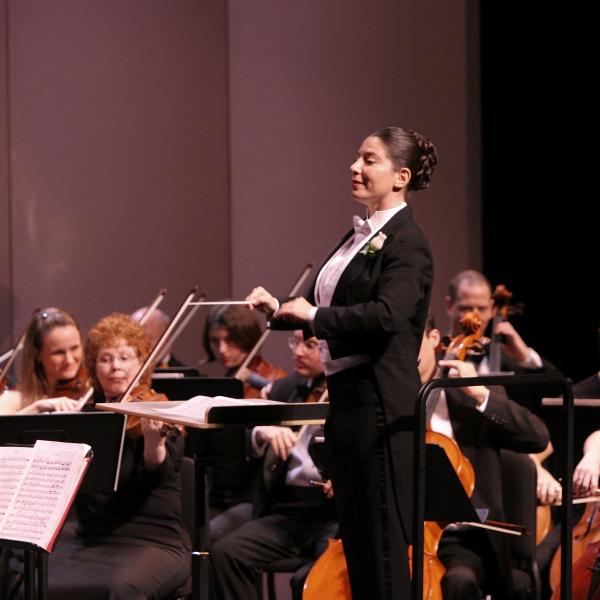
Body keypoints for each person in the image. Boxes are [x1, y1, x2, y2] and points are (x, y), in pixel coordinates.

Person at [247, 126, 437, 599]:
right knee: (360, 551)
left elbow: (389, 315)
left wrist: (313, 314)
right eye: (357, 157)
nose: (355, 167)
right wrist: (279, 308)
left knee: (384, 554)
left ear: (401, 177)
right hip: (349, 407)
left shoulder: (407, 243)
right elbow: (319, 304)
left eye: (369, 159)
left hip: (380, 410)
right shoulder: (357, 237)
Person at [45, 313, 191, 599]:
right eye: (106, 359)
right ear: (94, 368)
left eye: (125, 358)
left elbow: (158, 473)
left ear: (142, 364)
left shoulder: (158, 411)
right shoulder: (85, 421)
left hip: (154, 539)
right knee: (35, 581)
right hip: (92, 538)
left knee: (120, 589)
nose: (116, 367)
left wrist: (153, 442)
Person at [418, 312, 549, 599]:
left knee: (458, 582)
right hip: (406, 532)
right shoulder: (392, 399)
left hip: (466, 539)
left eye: (413, 341)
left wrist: (481, 395)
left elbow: (538, 437)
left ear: (434, 340)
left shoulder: (472, 396)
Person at [210, 331, 336, 600]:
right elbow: (239, 437)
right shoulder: (284, 387)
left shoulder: (351, 391)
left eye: (309, 345)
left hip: (335, 513)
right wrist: (262, 431)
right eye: (295, 342)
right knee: (226, 554)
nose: (298, 351)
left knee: (329, 569)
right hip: (287, 507)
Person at [0, 308, 87, 414]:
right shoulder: (17, 398)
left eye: (75, 348)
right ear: (37, 354)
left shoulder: (90, 388)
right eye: (58, 352)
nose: (69, 360)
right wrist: (36, 408)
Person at [202, 304, 286, 398]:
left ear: (247, 337)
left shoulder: (276, 378)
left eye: (230, 340)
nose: (222, 349)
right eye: (214, 340)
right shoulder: (231, 376)